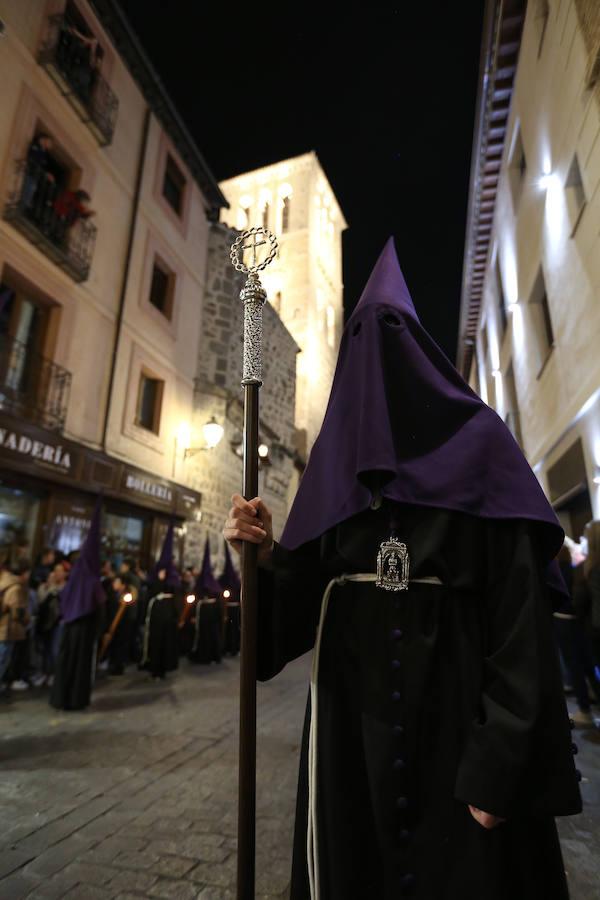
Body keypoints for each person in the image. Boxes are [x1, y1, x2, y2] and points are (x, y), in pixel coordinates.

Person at [223, 239, 582, 900]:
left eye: (392, 337)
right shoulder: (333, 473)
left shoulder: (482, 453)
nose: (377, 359)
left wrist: (502, 764)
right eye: (361, 340)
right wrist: (262, 556)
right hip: (349, 745)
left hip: (459, 733)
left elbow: (520, 624)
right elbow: (281, 626)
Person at [50, 501, 105, 711]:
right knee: (80, 665)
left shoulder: (73, 579)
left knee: (66, 663)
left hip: (69, 628)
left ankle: (60, 698)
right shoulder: (93, 583)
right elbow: (99, 607)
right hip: (84, 631)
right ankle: (75, 699)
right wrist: (100, 630)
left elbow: (64, 600)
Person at [139, 524, 180, 680]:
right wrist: (159, 580)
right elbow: (152, 591)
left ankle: (164, 667)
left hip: (168, 614)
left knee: (166, 641)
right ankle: (154, 667)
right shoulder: (156, 576)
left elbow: (176, 592)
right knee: (155, 640)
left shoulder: (174, 577)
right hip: (157, 613)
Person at [189, 537, 223, 665]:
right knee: (202, 633)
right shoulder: (201, 582)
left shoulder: (213, 584)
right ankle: (203, 655)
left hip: (210, 611)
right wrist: (193, 614)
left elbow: (218, 598)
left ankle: (212, 656)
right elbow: (195, 597)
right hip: (203, 611)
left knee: (211, 634)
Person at [33, 562, 67, 687]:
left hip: (58, 623)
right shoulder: (45, 587)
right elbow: (40, 602)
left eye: (60, 570)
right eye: (55, 570)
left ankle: (54, 673)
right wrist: (48, 587)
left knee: (55, 649)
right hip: (45, 623)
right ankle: (44, 673)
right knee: (44, 649)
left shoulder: (66, 587)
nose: (57, 573)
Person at [0, 560, 31, 694]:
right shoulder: (16, 587)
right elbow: (17, 612)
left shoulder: (3, 582)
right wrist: (27, 619)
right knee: (3, 659)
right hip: (7, 629)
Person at [220, 539, 241, 656]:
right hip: (227, 608)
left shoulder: (236, 582)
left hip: (235, 609)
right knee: (227, 629)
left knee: (234, 629)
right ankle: (227, 648)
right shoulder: (225, 580)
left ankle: (234, 648)